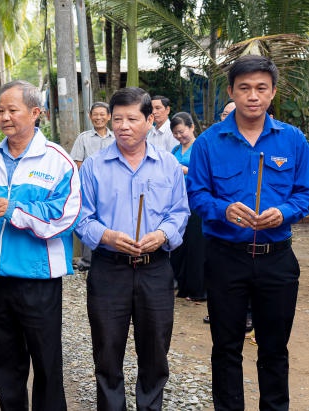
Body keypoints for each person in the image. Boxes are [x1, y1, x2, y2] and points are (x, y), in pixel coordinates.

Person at [187, 55, 309, 410]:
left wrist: (284, 212)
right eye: (244, 88)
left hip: (277, 260)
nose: (252, 96)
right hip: (226, 258)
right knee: (226, 347)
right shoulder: (209, 143)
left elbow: (303, 193)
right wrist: (223, 210)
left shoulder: (293, 140)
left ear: (272, 94)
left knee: (274, 348)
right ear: (231, 92)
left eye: (261, 88)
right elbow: (197, 194)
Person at [0, 80, 80, 411]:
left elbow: (64, 217)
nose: (4, 117)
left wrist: (15, 210)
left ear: (35, 112)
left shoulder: (57, 160)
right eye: (0, 110)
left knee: (46, 365)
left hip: (38, 280)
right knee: (5, 367)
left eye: (12, 110)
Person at [75, 87, 189, 411]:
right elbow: (81, 217)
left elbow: (180, 212)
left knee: (155, 350)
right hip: (110, 268)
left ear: (150, 120)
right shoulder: (94, 166)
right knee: (107, 351)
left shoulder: (167, 164)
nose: (123, 126)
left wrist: (162, 234)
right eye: (117, 119)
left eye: (132, 118)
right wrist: (108, 236)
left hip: (155, 267)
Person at [70, 101, 114, 272]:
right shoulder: (83, 138)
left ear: (109, 116)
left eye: (102, 114)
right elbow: (77, 163)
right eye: (95, 114)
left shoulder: (116, 137)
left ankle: (108, 255)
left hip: (111, 187)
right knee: (88, 218)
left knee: (108, 219)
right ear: (90, 116)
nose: (98, 117)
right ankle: (87, 260)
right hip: (88, 187)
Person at [169, 112, 206, 301]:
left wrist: (185, 171)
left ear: (192, 127)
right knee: (180, 246)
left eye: (181, 131)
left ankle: (198, 289)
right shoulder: (175, 150)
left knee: (196, 247)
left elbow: (206, 174)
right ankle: (183, 286)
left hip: (196, 202)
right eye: (175, 133)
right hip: (178, 202)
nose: (179, 136)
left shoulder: (201, 147)